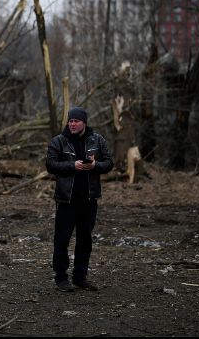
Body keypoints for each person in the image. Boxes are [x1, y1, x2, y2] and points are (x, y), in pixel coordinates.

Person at [45, 106, 113, 292]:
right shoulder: (58, 141)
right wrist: (72, 165)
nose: (72, 124)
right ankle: (61, 278)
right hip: (66, 200)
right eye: (70, 121)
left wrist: (95, 165)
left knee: (85, 240)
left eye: (76, 121)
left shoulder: (97, 140)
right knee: (62, 240)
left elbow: (109, 163)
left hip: (89, 199)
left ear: (84, 122)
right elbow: (50, 165)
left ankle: (80, 277)